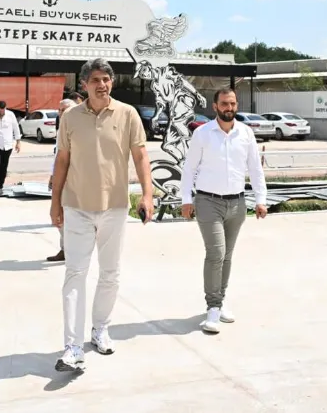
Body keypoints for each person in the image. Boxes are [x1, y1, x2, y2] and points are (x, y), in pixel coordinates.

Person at [49, 58, 154, 372]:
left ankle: (100, 329)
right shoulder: (70, 118)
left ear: (112, 82)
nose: (101, 84)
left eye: (106, 79)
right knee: (75, 274)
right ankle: (72, 347)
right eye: (95, 79)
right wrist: (55, 203)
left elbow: (140, 155)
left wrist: (147, 195)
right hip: (77, 206)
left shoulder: (127, 114)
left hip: (115, 207)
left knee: (110, 274)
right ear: (84, 85)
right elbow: (62, 161)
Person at [179, 87, 268, 334]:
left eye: (233, 104)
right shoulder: (203, 134)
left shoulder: (246, 133)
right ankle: (213, 308)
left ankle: (221, 298)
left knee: (227, 255)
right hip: (208, 202)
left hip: (237, 203)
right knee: (216, 253)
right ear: (215, 107)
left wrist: (261, 199)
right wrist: (186, 199)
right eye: (224, 104)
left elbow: (255, 169)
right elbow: (189, 169)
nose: (229, 108)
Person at [47, 98, 78, 263]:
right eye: (59, 110)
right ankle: (65, 249)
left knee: (73, 217)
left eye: (64, 110)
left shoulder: (80, 128)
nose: (61, 113)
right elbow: (57, 157)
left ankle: (73, 250)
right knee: (59, 215)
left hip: (75, 179)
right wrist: (53, 175)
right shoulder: (61, 129)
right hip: (61, 178)